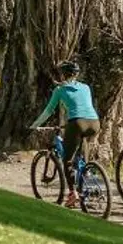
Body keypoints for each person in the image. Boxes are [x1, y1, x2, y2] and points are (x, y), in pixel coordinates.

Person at [31, 60, 99, 208]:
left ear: (63, 74)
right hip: (94, 122)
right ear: (76, 74)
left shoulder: (59, 90)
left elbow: (49, 111)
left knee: (67, 160)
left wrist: (35, 125)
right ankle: (87, 176)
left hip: (77, 123)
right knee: (81, 154)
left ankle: (73, 194)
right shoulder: (86, 87)